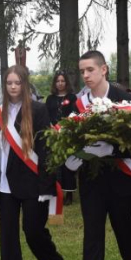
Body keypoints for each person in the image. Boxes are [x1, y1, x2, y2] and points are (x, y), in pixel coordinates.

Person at [66, 51, 131, 260]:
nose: (86, 76)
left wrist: (111, 149)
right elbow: (67, 137)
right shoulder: (76, 103)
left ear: (104, 70)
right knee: (92, 236)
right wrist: (75, 157)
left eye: (90, 70)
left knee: (125, 231)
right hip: (91, 179)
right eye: (82, 71)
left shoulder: (124, 98)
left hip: (120, 177)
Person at [0, 65, 64, 260]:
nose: (13, 87)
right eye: (9, 82)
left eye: (17, 83)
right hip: (5, 184)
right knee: (8, 238)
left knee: (33, 231)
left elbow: (45, 149)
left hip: (32, 181)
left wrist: (46, 185)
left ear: (24, 84)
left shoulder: (39, 110)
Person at [45, 71, 78, 205]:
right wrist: (53, 127)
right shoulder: (50, 98)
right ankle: (55, 191)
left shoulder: (72, 98)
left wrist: (64, 127)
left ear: (66, 82)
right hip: (53, 134)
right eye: (58, 81)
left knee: (68, 164)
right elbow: (46, 114)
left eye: (62, 81)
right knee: (55, 163)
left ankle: (69, 194)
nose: (60, 83)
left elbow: (75, 114)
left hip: (67, 134)